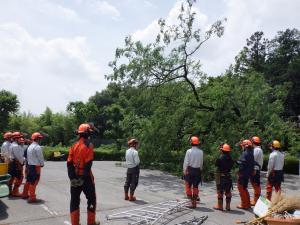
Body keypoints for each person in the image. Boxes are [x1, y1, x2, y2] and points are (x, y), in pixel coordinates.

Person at [67, 123, 100, 225]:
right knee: (91, 198)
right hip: (85, 178)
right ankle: (91, 222)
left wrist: (72, 178)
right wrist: (83, 178)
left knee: (74, 200)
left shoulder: (73, 145)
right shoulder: (89, 145)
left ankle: (75, 223)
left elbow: (69, 163)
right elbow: (88, 163)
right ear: (87, 133)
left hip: (74, 177)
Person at [183, 136, 203, 208]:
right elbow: (201, 163)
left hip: (190, 170)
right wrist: (200, 171)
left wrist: (184, 171)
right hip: (197, 171)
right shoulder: (201, 152)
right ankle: (194, 203)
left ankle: (190, 202)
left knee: (188, 186)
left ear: (191, 142)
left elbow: (186, 163)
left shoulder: (188, 151)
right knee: (195, 186)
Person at [213, 143, 234, 211]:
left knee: (220, 192)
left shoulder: (220, 158)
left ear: (222, 150)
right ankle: (228, 206)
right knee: (228, 191)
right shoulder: (230, 158)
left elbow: (216, 165)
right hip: (228, 177)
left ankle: (220, 206)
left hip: (221, 177)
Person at [27, 132, 45, 203]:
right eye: (40, 138)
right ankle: (32, 197)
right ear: (37, 139)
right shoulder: (37, 147)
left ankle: (31, 195)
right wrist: (42, 164)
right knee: (35, 181)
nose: (40, 140)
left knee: (31, 181)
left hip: (30, 166)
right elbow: (40, 157)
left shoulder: (30, 146)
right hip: (36, 166)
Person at [236, 139, 255, 209]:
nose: (242, 147)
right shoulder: (251, 153)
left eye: (243, 146)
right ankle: (248, 203)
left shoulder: (245, 153)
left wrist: (239, 171)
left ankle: (244, 204)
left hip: (243, 174)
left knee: (241, 188)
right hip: (247, 173)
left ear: (245, 146)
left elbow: (242, 164)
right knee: (244, 188)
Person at [8, 132, 25, 197]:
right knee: (20, 177)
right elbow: (19, 157)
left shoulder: (11, 145)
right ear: (16, 138)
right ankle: (15, 191)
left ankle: (10, 191)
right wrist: (22, 162)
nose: (20, 139)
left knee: (12, 178)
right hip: (16, 164)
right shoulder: (16, 146)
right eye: (19, 137)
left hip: (12, 163)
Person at [250, 136, 263, 206]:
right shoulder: (259, 149)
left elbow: (253, 160)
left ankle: (256, 201)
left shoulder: (256, 150)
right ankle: (256, 199)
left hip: (255, 169)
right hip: (257, 169)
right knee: (256, 185)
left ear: (253, 142)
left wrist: (254, 169)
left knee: (255, 185)